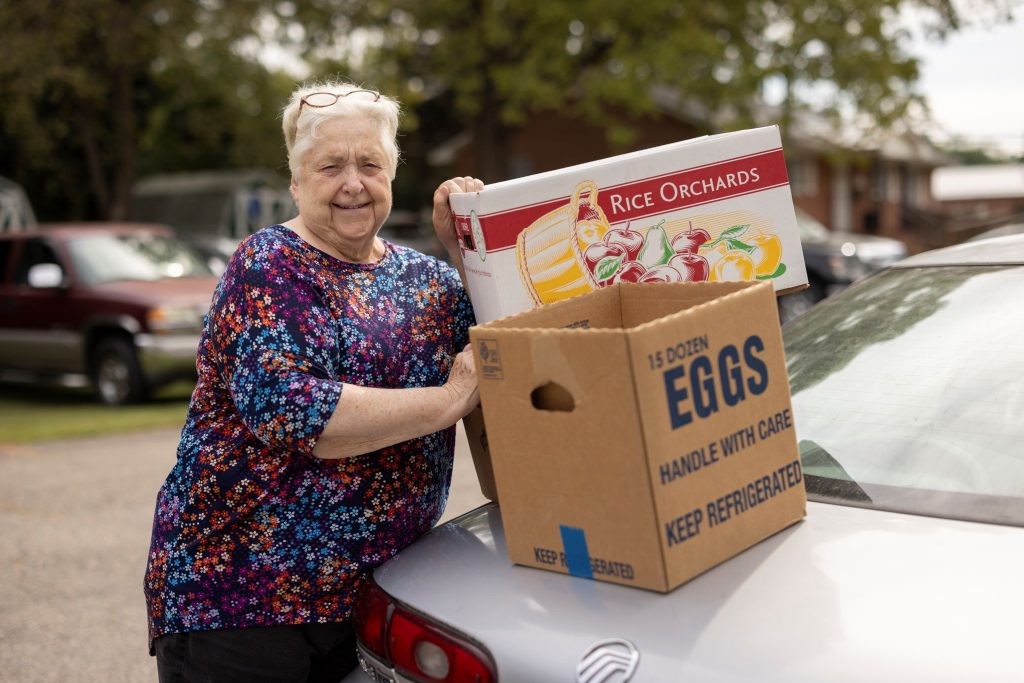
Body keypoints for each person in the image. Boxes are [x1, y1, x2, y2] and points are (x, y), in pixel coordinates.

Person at [144, 79, 484, 682]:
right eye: (330, 166)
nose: (353, 183)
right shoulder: (267, 264)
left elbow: (508, 348)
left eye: (369, 164)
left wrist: (471, 251)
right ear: (296, 181)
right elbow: (300, 416)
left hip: (371, 601)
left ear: (392, 173)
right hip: (243, 605)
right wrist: (452, 398)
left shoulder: (428, 281)